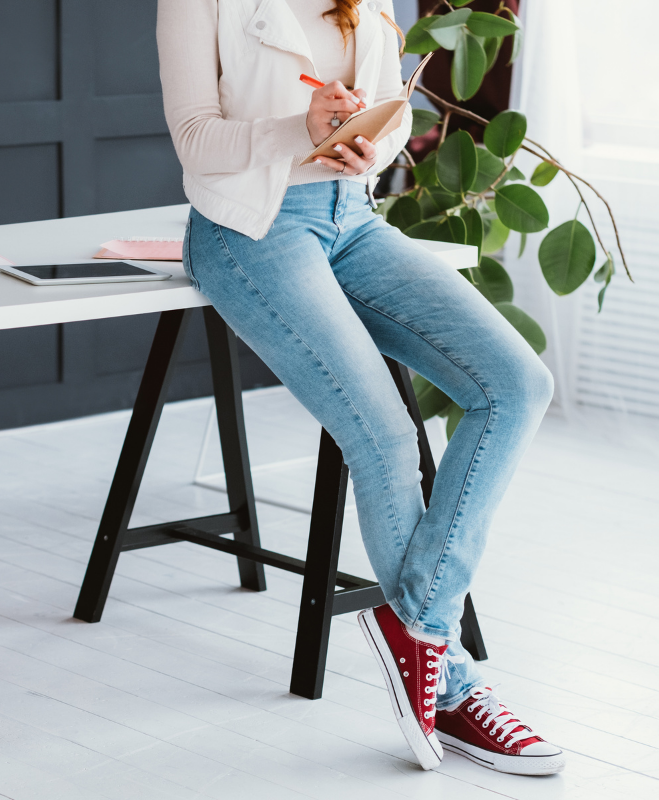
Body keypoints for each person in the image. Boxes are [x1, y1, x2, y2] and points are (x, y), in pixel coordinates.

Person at [158, 0, 564, 776]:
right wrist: (299, 131)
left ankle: (420, 628)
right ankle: (450, 682)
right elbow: (195, 140)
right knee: (380, 430)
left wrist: (366, 148)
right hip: (252, 230)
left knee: (516, 383)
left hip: (352, 220)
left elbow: (390, 128)